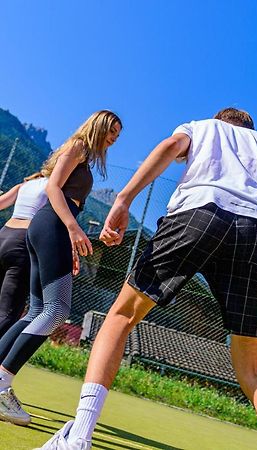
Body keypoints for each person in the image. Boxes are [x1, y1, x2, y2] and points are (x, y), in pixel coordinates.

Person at [36, 107, 257, 450]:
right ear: (249, 127)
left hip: (200, 212)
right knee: (256, 373)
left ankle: (79, 438)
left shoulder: (204, 128)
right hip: (254, 232)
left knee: (121, 316)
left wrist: (123, 199)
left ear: (221, 120)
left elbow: (170, 146)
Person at [0, 110, 122, 426]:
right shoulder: (79, 145)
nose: (114, 138)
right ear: (98, 125)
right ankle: (1, 384)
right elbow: (54, 188)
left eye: (118, 135)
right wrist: (72, 229)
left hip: (49, 228)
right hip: (51, 225)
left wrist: (69, 240)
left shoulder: (83, 156)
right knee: (56, 311)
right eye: (112, 130)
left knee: (36, 311)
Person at [0, 172, 48, 338]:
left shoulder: (24, 185)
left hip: (4, 235)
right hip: (23, 241)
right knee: (7, 312)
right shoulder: (56, 187)